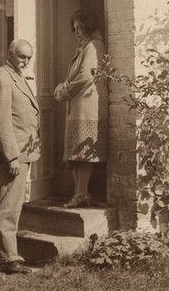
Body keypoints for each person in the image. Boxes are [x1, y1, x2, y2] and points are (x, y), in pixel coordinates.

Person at [0, 39, 40, 274]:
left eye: (29, 57)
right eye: (21, 56)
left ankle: (1, 254)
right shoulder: (3, 78)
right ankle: (10, 259)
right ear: (10, 54)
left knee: (10, 203)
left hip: (22, 151)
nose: (25, 61)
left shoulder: (17, 76)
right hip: (12, 153)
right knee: (8, 206)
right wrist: (11, 157)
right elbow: (1, 121)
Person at [54, 10, 108, 208]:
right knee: (75, 152)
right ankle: (80, 193)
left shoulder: (94, 46)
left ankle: (81, 193)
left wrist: (65, 91)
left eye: (79, 27)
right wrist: (63, 86)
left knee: (83, 152)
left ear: (88, 26)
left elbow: (86, 76)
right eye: (74, 28)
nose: (76, 31)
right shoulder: (84, 47)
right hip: (78, 105)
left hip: (87, 106)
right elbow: (75, 76)